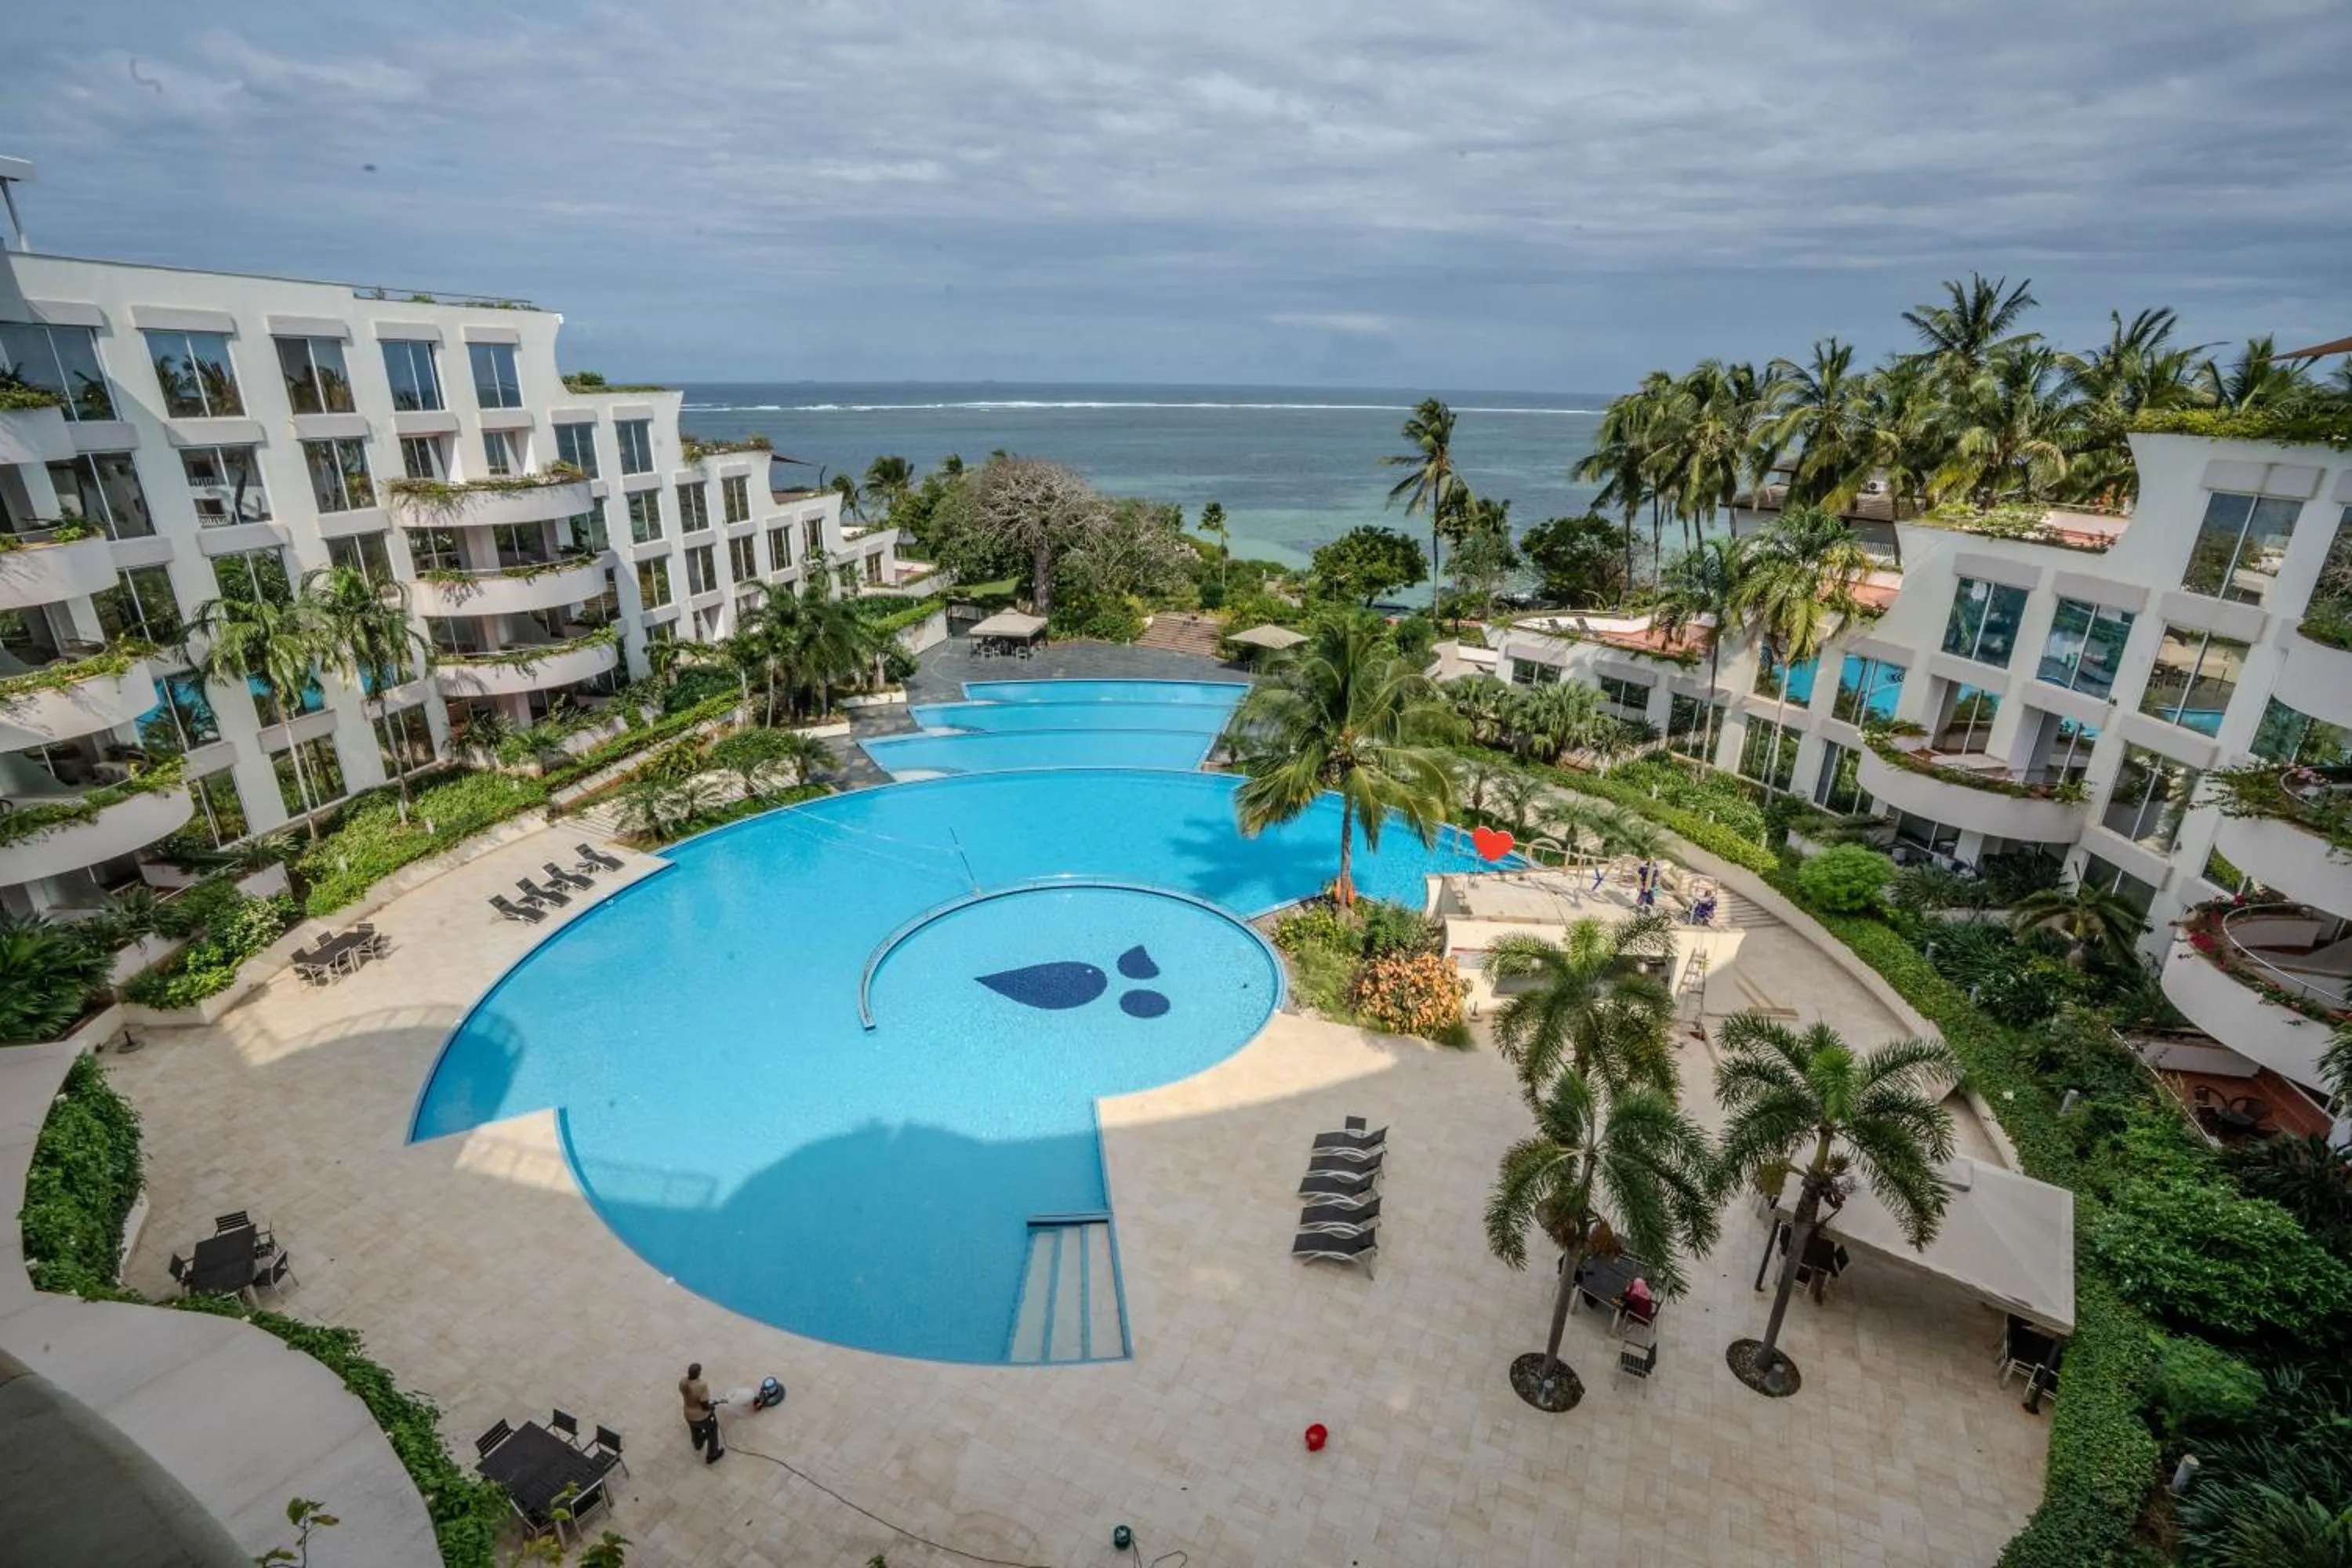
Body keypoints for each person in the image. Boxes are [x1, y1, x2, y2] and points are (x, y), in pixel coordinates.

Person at [680, 1361, 724, 1464]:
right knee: (712, 1431)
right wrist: (711, 1407)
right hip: (701, 1416)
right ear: (698, 1373)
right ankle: (712, 1454)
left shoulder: (683, 1382)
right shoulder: (701, 1385)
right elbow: (704, 1405)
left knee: (694, 1428)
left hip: (688, 1413)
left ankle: (698, 1443)